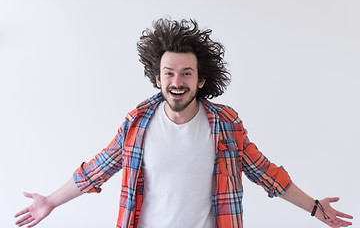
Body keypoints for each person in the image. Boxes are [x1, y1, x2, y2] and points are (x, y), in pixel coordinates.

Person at [15, 18, 353, 228]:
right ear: (158, 78)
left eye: (186, 73)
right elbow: (96, 169)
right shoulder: (137, 124)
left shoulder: (225, 125)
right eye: (169, 73)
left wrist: (313, 207)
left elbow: (265, 173)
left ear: (201, 80)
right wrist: (50, 202)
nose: (177, 81)